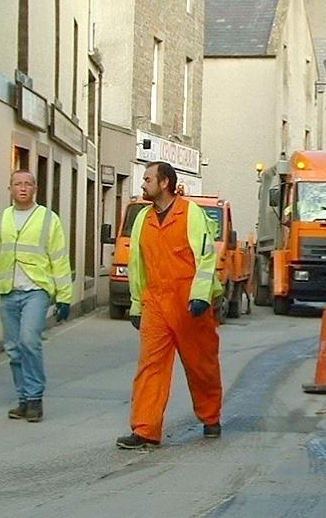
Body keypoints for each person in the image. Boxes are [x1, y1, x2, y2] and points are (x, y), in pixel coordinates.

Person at [116, 161, 223, 449]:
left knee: (202, 365)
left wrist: (200, 295)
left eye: (148, 179)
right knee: (150, 367)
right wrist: (137, 305)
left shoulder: (191, 214)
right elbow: (138, 266)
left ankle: (210, 416)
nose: (143, 184)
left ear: (164, 183)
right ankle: (145, 430)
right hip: (155, 303)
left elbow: (205, 257)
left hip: (189, 303)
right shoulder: (142, 219)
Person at [0, 170, 73, 423]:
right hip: (8, 291)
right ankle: (23, 399)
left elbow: (59, 259)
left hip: (36, 290)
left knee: (28, 341)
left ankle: (35, 397)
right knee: (14, 349)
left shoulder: (48, 219)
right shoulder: (1, 219)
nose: (23, 188)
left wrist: (64, 297)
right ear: (10, 188)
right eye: (17, 184)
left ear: (35, 188)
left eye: (27, 184)